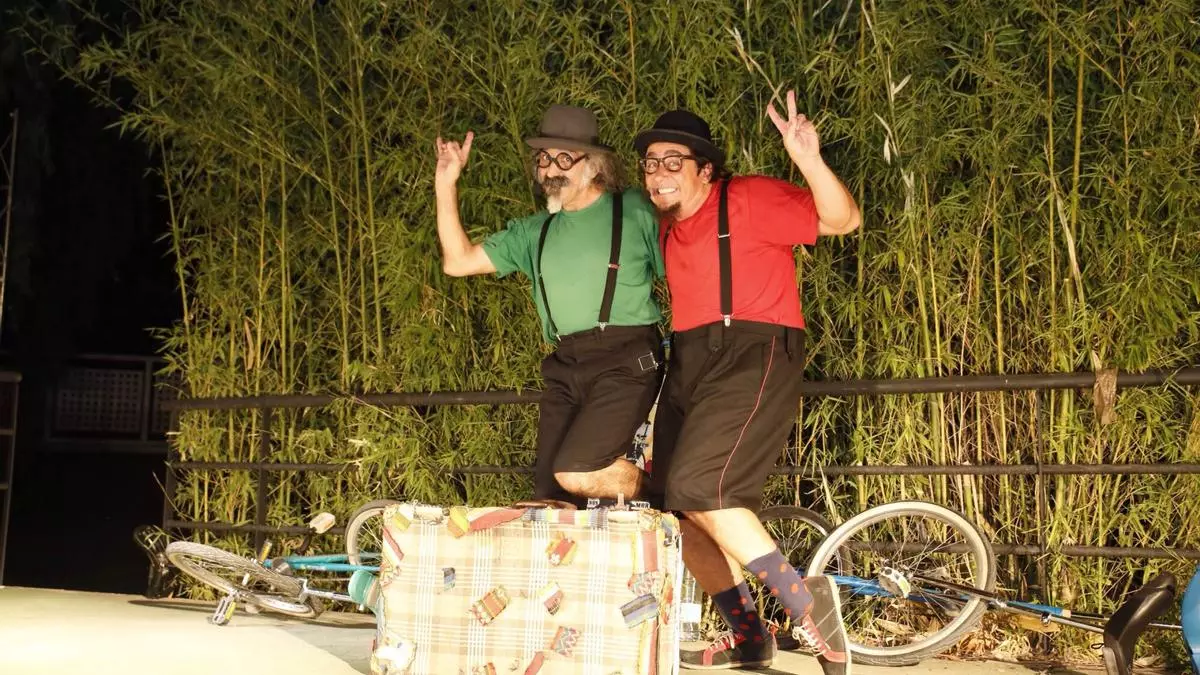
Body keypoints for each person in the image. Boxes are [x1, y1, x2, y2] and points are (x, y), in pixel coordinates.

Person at [634, 91, 861, 672]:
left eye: (673, 161)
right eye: (651, 162)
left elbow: (844, 220)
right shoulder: (661, 226)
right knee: (676, 508)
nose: (658, 173)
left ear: (705, 169)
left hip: (752, 348)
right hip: (688, 356)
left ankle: (805, 605)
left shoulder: (749, 197)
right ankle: (750, 636)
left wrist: (807, 159)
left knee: (702, 487)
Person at [434, 104, 665, 507]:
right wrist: (445, 183)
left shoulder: (634, 210)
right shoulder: (534, 231)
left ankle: (668, 497)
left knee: (578, 470)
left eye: (563, 159)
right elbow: (458, 262)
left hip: (627, 359)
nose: (549, 171)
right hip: (565, 365)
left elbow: (686, 263)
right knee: (550, 499)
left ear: (594, 166)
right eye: (543, 159)